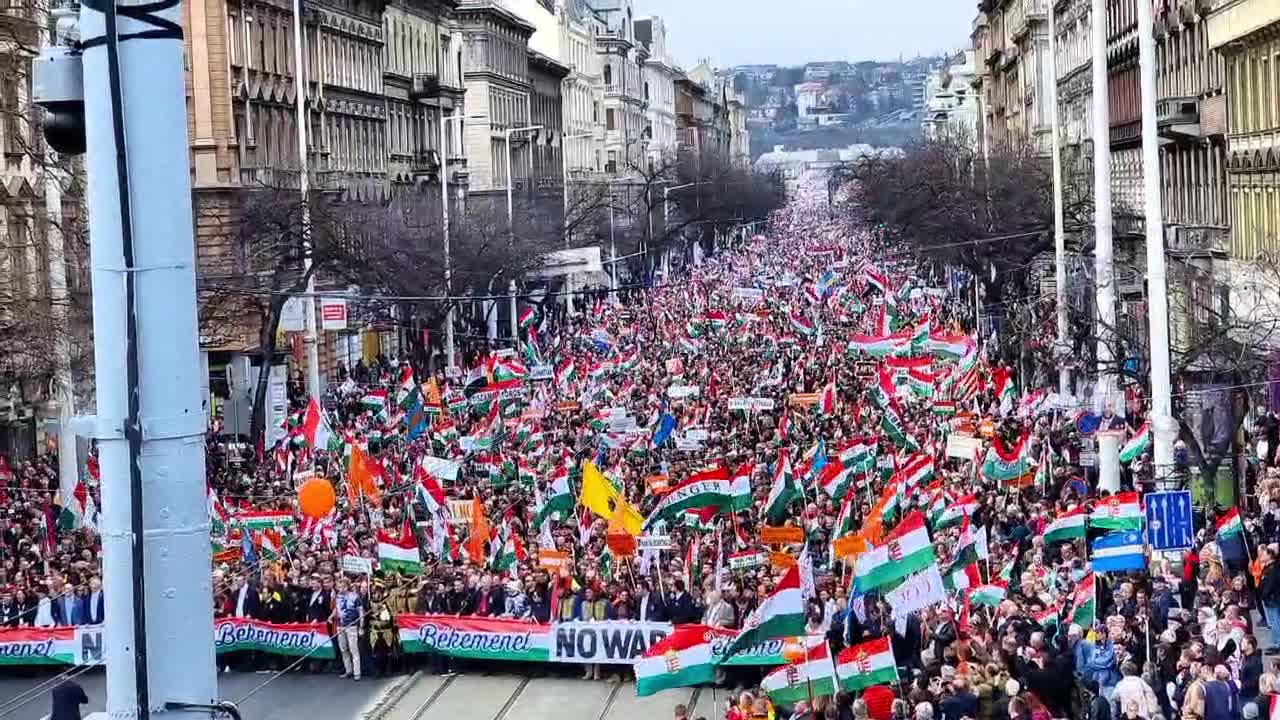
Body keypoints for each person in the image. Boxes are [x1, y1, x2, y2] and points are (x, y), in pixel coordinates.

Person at [333, 576, 363, 681]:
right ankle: (348, 670)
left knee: (353, 649)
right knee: (343, 649)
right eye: (339, 587)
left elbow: (360, 612)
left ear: (347, 586)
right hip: (340, 625)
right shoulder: (337, 597)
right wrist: (333, 616)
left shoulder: (355, 597)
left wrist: (361, 626)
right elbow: (337, 609)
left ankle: (357, 672)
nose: (341, 589)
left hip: (352, 625)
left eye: (343, 587)